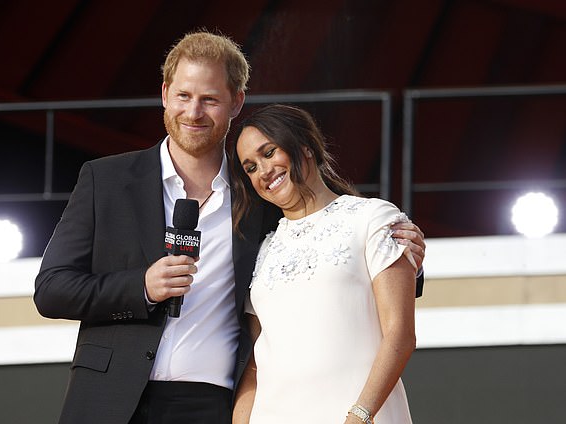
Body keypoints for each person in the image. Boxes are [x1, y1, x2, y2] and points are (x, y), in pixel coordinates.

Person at [34, 31, 425, 424]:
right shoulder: (106, 179)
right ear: (165, 94)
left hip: (212, 406)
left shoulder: (260, 194)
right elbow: (52, 290)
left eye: (210, 99)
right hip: (110, 399)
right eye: (184, 96)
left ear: (236, 102)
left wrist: (405, 256)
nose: (193, 112)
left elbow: (325, 235)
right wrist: (142, 287)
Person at [231, 104, 418, 423]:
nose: (263, 171)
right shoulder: (262, 250)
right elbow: (255, 365)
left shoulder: (372, 218)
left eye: (269, 152)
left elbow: (400, 334)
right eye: (250, 167)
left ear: (305, 146)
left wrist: (361, 415)